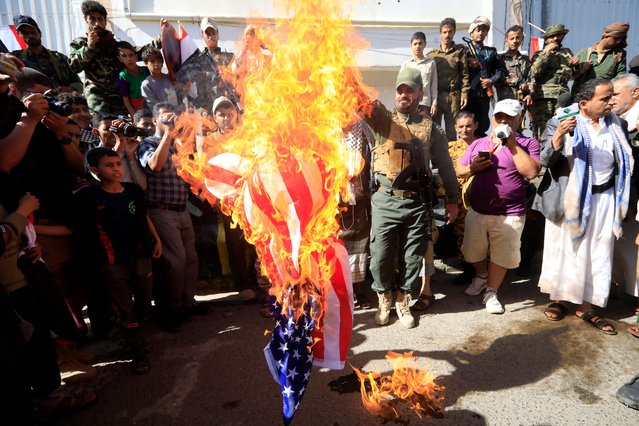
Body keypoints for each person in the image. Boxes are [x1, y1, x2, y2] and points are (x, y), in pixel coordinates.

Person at [364, 67, 459, 329]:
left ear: (420, 93)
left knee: (412, 257)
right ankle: (384, 298)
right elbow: (361, 102)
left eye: (410, 90)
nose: (404, 94)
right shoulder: (383, 120)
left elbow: (446, 165)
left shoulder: (431, 129)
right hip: (386, 200)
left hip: (418, 203)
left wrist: (453, 199)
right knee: (381, 254)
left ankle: (403, 300)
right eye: (400, 90)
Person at [537, 79, 632, 335]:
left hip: (605, 199)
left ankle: (586, 305)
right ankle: (560, 299)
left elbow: (622, 164)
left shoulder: (617, 125)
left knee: (597, 252)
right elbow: (543, 159)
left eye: (612, 96)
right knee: (565, 251)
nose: (611, 101)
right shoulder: (561, 122)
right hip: (571, 199)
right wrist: (558, 136)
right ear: (584, 104)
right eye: (604, 98)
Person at [76, 147, 162, 374]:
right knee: (124, 307)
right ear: (94, 171)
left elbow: (144, 216)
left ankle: (136, 336)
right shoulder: (89, 197)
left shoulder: (133, 190)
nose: (116, 169)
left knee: (144, 300)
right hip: (112, 261)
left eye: (117, 164)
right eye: (108, 165)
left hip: (140, 255)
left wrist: (156, 239)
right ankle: (137, 352)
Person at [456, 99, 540, 314]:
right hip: (478, 210)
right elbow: (459, 169)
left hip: (509, 212)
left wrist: (512, 145)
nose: (503, 121)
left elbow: (530, 172)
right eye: (499, 117)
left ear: (519, 119)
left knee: (502, 254)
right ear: (492, 118)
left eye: (509, 117)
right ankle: (482, 276)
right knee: (472, 251)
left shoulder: (528, 143)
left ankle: (491, 292)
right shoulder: (478, 143)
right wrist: (473, 168)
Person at [137, 102, 201, 327]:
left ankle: (187, 302)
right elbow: (154, 165)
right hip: (161, 211)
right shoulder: (146, 143)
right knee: (175, 261)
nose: (171, 122)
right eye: (165, 118)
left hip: (182, 210)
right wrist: (168, 135)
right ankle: (171, 308)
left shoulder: (179, 145)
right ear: (155, 121)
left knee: (190, 258)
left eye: (172, 118)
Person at [69, 0, 164, 115]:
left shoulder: (114, 44)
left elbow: (138, 53)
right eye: (92, 19)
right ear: (86, 19)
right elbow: (73, 67)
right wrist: (89, 47)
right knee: (102, 129)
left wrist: (161, 39)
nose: (96, 23)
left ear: (105, 21)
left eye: (100, 19)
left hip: (119, 99)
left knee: (123, 129)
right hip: (97, 100)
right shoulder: (79, 43)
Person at [528, 24, 579, 141]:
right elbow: (534, 72)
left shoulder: (567, 53)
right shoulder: (539, 54)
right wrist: (546, 53)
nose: (556, 38)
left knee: (565, 129)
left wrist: (576, 66)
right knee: (543, 131)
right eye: (552, 36)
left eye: (559, 35)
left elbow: (572, 75)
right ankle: (541, 157)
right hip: (544, 97)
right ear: (546, 39)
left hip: (563, 97)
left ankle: (560, 156)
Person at [176, 17, 238, 111]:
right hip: (206, 110)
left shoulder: (229, 58)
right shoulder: (197, 60)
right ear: (202, 35)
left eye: (213, 33)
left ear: (218, 34)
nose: (210, 36)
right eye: (207, 33)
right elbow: (180, 80)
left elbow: (239, 80)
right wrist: (193, 103)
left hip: (226, 109)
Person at [11, 15, 83, 93]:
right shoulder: (16, 58)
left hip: (61, 99)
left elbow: (78, 83)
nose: (30, 36)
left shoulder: (59, 58)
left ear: (40, 33)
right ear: (19, 34)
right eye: (25, 33)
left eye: (33, 32)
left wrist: (71, 89)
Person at [427, 17, 469, 141]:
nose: (447, 35)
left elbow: (465, 74)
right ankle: (437, 160)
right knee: (435, 131)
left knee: (452, 132)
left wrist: (464, 93)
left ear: (454, 32)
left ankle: (453, 160)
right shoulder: (432, 55)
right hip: (437, 96)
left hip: (453, 96)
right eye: (445, 32)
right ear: (440, 33)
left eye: (450, 32)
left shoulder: (460, 51)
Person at [464, 16, 503, 137]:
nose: (481, 33)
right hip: (468, 94)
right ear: (472, 32)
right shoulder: (464, 51)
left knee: (482, 125)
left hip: (484, 94)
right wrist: (467, 59)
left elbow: (500, 71)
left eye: (484, 30)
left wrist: (491, 81)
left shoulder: (491, 51)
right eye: (478, 30)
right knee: (466, 123)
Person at [572, 22, 629, 95]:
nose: (618, 42)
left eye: (621, 39)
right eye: (616, 38)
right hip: (581, 98)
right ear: (606, 36)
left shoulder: (618, 55)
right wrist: (580, 69)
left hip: (603, 99)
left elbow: (621, 78)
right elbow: (570, 76)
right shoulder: (584, 53)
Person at [401, 32, 438, 117]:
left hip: (425, 104)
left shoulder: (431, 63)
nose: (417, 46)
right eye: (415, 44)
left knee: (424, 129)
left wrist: (434, 103)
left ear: (425, 44)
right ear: (411, 46)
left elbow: (434, 86)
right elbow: (400, 87)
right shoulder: (406, 64)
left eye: (420, 43)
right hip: (409, 104)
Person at [496, 25, 531, 105]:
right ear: (506, 40)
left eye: (518, 38)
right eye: (512, 38)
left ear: (522, 39)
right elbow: (499, 77)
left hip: (522, 99)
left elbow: (531, 77)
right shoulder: (500, 59)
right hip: (505, 100)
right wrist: (518, 82)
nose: (515, 41)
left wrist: (530, 93)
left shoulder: (526, 59)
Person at [116, 41, 149, 117]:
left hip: (151, 105)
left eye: (131, 55)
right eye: (124, 56)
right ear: (120, 59)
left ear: (136, 57)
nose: (128, 59)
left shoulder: (146, 70)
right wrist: (134, 116)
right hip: (138, 111)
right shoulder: (123, 76)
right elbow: (125, 98)